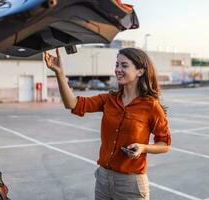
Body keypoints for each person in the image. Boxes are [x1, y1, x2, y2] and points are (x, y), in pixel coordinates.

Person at [44, 47, 171, 200]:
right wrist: (59, 72)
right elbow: (72, 104)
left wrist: (143, 147)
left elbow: (164, 144)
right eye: (117, 65)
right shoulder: (108, 99)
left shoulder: (151, 106)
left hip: (130, 185)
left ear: (140, 71)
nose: (118, 69)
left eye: (124, 65)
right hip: (103, 180)